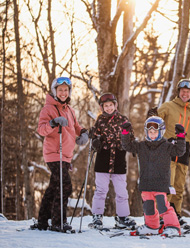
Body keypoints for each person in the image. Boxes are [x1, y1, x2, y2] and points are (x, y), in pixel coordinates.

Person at [31, 77, 89, 231]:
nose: (63, 93)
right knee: (65, 187)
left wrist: (83, 133)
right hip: (54, 153)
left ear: (69, 92)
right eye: (60, 90)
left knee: (54, 187)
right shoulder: (48, 109)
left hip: (66, 155)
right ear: (54, 91)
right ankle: (58, 222)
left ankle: (43, 221)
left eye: (66, 90)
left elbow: (75, 126)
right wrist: (53, 122)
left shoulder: (70, 109)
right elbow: (42, 129)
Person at [147, 79, 190, 227]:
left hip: (185, 148)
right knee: (168, 184)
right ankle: (162, 215)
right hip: (168, 146)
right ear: (178, 92)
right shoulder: (168, 106)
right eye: (182, 91)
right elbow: (153, 124)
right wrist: (152, 116)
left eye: (188, 92)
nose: (185, 93)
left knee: (179, 186)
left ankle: (176, 214)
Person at [121, 116, 186, 237]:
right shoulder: (141, 146)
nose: (152, 134)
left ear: (161, 132)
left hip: (161, 183)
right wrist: (125, 133)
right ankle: (152, 226)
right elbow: (128, 146)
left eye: (155, 132)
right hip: (146, 183)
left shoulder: (166, 146)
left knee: (163, 206)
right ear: (146, 132)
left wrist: (181, 136)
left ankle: (173, 227)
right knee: (148, 207)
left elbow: (180, 151)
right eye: (150, 132)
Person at [89, 93, 136, 229]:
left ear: (115, 105)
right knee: (101, 189)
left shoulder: (123, 119)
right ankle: (97, 216)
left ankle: (122, 217)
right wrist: (95, 141)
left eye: (111, 105)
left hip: (119, 157)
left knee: (121, 190)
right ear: (102, 107)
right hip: (103, 157)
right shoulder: (100, 120)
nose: (108, 108)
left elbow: (130, 136)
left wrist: (132, 145)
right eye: (106, 106)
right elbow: (95, 137)